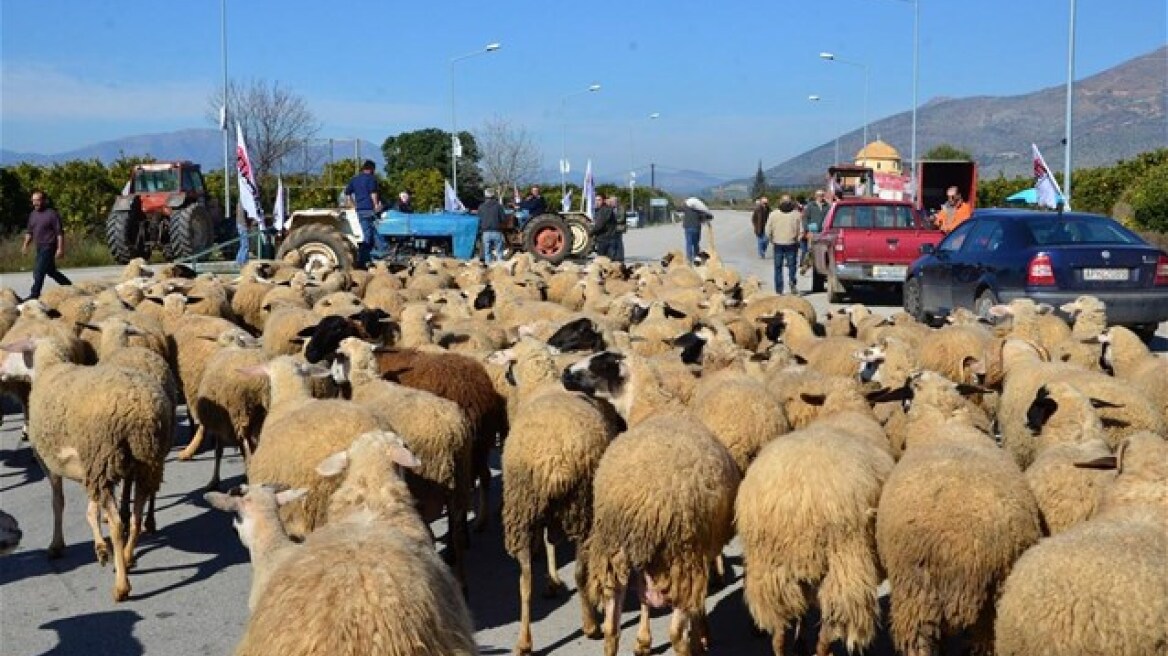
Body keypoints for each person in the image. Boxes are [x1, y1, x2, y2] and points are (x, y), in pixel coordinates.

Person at [22, 190, 72, 299]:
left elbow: (59, 233)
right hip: (39, 246)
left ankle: (34, 294)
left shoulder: (52, 214)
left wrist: (60, 248)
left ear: (44, 200)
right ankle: (69, 286)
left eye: (38, 200)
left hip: (49, 246)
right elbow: (29, 232)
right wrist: (25, 245)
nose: (35, 203)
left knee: (39, 270)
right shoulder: (32, 215)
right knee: (50, 271)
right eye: (33, 200)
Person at [344, 159, 384, 267]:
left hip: (359, 210)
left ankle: (380, 253)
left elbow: (347, 194)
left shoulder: (355, 179)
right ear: (371, 169)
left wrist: (353, 205)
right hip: (368, 209)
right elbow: (373, 194)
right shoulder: (371, 179)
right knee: (372, 234)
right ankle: (366, 258)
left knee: (370, 232)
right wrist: (376, 206)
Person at [764, 194, 803, 295]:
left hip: (778, 243)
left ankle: (779, 289)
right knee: (792, 266)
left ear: (780, 202)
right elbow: (801, 230)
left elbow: (767, 230)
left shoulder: (773, 214)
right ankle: (792, 281)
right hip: (791, 243)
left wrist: (772, 239)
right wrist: (797, 240)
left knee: (778, 267)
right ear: (791, 202)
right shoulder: (796, 214)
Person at [800, 189, 830, 273]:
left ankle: (821, 266)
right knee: (810, 250)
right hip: (812, 231)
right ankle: (805, 266)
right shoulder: (810, 206)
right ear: (815, 196)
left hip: (824, 232)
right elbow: (805, 218)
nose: (820, 197)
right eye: (819, 195)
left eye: (822, 195)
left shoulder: (827, 206)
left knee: (822, 250)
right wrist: (806, 229)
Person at [478, 188, 505, 264]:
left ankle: (488, 268)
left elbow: (479, 219)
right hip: (497, 231)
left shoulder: (481, 207)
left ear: (485, 196)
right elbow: (503, 219)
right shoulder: (499, 206)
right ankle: (500, 268)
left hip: (485, 232)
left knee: (487, 253)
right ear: (494, 196)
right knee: (499, 252)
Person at [681, 197, 712, 262]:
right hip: (696, 228)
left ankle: (689, 259)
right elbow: (707, 216)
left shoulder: (686, 209)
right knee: (696, 244)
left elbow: (680, 208)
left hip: (688, 228)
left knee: (689, 243)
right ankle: (696, 258)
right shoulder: (698, 210)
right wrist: (707, 221)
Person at [605, 195, 626, 262]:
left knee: (618, 243)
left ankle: (620, 257)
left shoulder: (621, 208)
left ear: (616, 202)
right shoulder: (609, 209)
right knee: (612, 243)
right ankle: (612, 257)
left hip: (619, 228)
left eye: (613, 201)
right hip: (611, 229)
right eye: (610, 201)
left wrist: (613, 221)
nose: (611, 203)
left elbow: (621, 218)